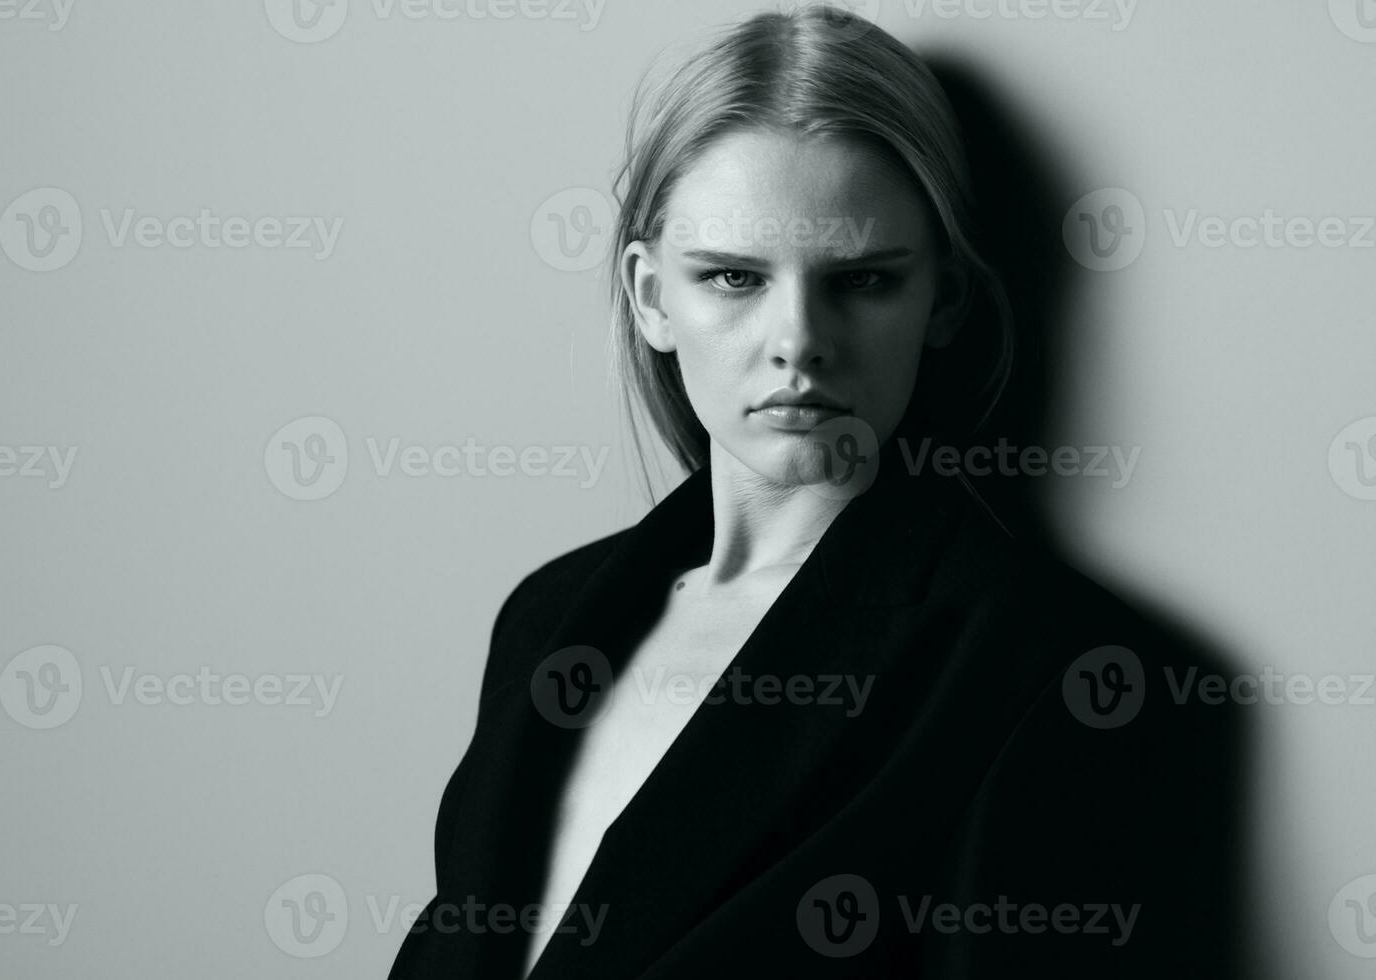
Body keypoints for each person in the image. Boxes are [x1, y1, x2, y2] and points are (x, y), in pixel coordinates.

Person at [388, 6, 1247, 978]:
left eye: (865, 280)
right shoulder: (544, 618)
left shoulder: (1037, 663)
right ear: (651, 296)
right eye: (734, 277)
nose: (798, 339)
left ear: (945, 298)